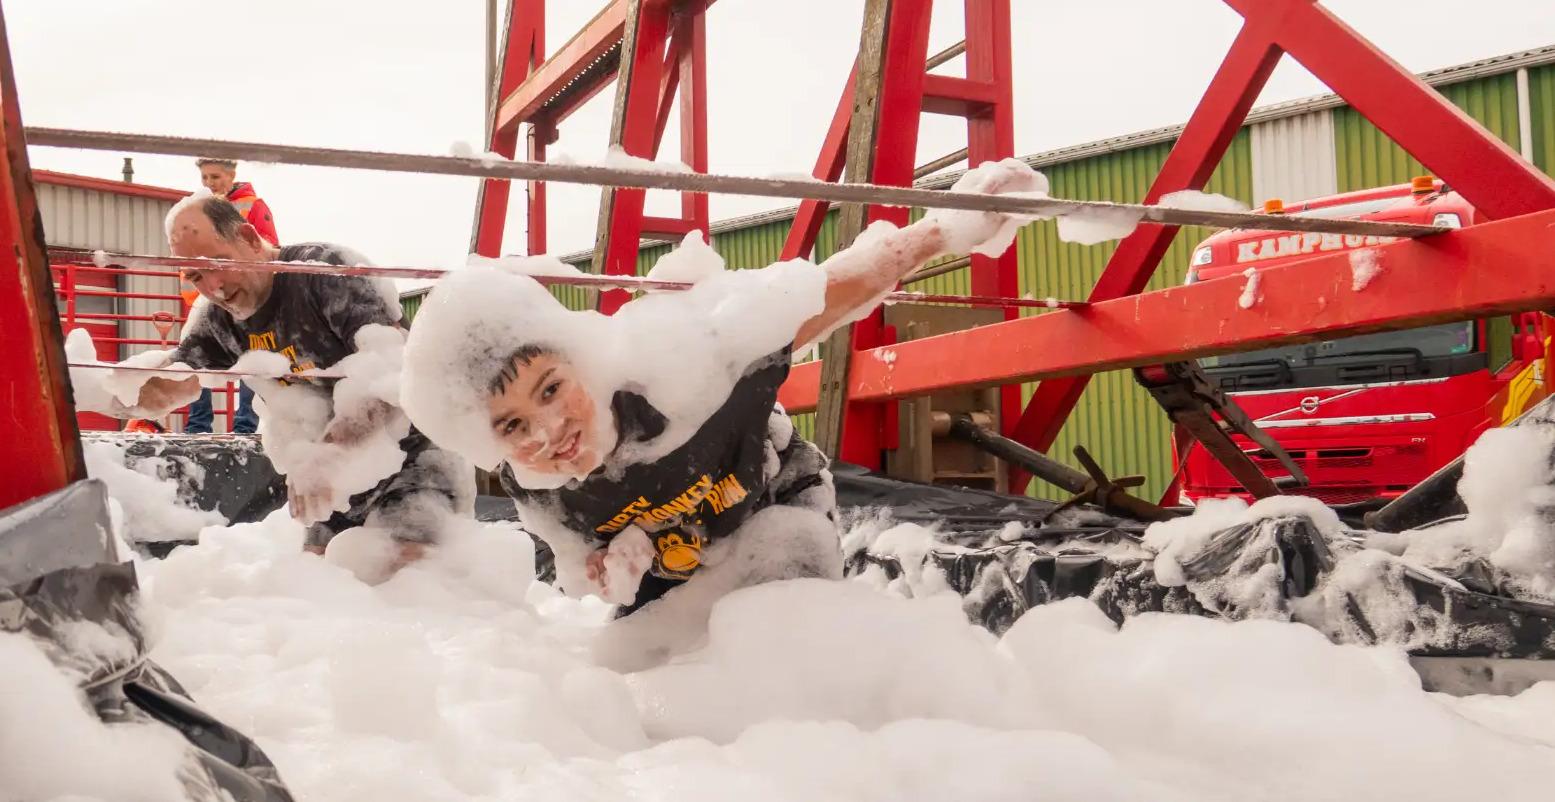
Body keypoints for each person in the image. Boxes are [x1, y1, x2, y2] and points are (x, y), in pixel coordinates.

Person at [399, 158, 1045, 667]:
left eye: (549, 389)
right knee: (633, 676)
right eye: (511, 426)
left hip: (772, 509)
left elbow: (822, 294)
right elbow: (583, 561)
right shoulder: (537, 491)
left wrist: (943, 231)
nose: (548, 431)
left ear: (580, 361)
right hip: (679, 558)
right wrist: (607, 565)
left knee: (786, 653)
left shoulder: (677, 376)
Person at [120, 193, 472, 579]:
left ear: (250, 239)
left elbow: (391, 377)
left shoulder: (323, 273)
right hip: (334, 478)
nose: (214, 287)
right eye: (196, 277)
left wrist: (327, 457)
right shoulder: (217, 320)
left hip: (413, 458)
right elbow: (171, 380)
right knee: (315, 581)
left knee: (410, 581)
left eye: (217, 264)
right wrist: (115, 389)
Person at [184, 159, 276, 434]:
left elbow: (268, 247)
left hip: (244, 296)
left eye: (215, 177)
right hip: (206, 297)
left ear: (232, 174)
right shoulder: (195, 208)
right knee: (196, 356)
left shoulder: (254, 207)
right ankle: (197, 426)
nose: (210, 183)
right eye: (204, 177)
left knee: (251, 356)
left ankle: (245, 427)